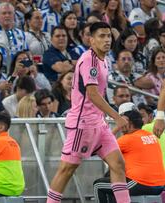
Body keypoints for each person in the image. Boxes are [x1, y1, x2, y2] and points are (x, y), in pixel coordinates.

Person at [46, 22, 130, 203]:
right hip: (82, 123)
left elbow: (100, 94)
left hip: (98, 123)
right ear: (91, 40)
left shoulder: (104, 60)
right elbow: (92, 94)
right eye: (101, 36)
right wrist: (117, 116)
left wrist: (108, 116)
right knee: (66, 169)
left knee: (118, 164)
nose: (107, 40)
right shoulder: (89, 60)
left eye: (108, 36)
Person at [94, 103, 165, 201]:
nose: (119, 122)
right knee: (111, 178)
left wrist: (116, 128)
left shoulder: (127, 139)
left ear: (129, 123)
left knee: (98, 185)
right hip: (160, 185)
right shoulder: (150, 135)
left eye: (122, 120)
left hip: (141, 183)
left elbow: (98, 147)